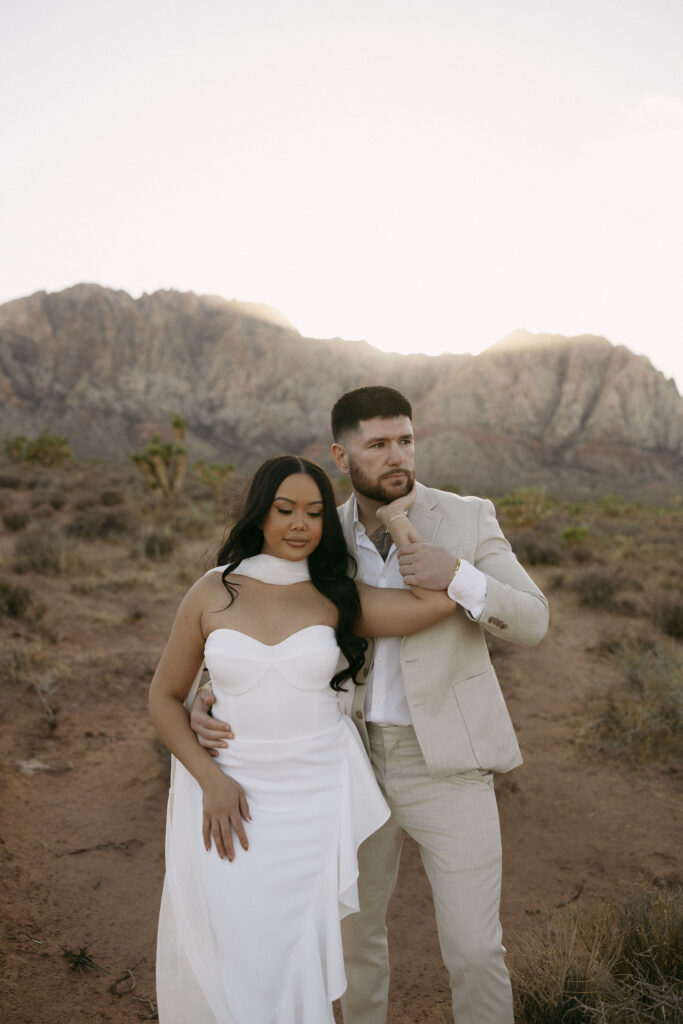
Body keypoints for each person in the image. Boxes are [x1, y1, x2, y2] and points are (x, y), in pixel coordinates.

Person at [191, 388, 549, 1024]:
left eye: (405, 440)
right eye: (378, 444)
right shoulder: (320, 531)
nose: (396, 456)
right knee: (356, 943)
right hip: (345, 759)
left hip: (450, 765)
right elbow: (262, 616)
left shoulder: (468, 518)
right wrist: (212, 691)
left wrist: (458, 574)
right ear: (341, 454)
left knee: (474, 949)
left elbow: (532, 620)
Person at [149, 453, 458, 1024]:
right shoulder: (211, 592)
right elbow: (163, 697)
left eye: (315, 513)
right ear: (259, 514)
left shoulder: (335, 595)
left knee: (294, 952)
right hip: (226, 797)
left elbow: (437, 601)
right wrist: (212, 779)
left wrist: (395, 520)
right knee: (234, 942)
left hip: (312, 801)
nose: (299, 524)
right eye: (284, 509)